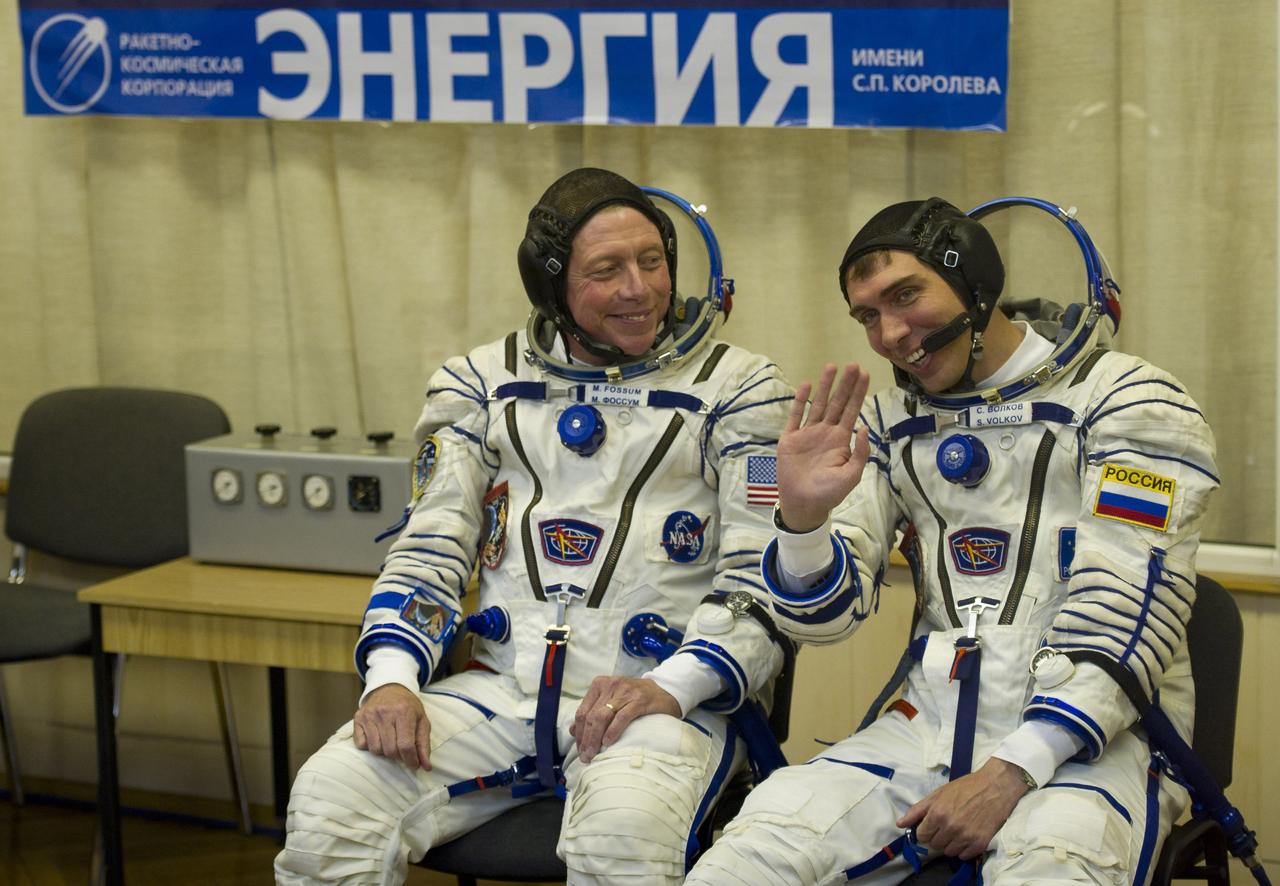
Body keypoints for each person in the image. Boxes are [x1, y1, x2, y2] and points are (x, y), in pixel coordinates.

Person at [275, 167, 794, 885]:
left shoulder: (740, 391)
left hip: (657, 697)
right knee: (333, 802)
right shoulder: (478, 385)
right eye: (606, 270)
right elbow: (427, 551)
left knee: (623, 839)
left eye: (652, 262)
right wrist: (391, 680)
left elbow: (760, 579)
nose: (639, 289)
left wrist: (674, 685)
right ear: (552, 287)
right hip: (499, 690)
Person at [686, 197, 1220, 884]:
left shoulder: (1134, 405)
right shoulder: (883, 424)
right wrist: (803, 522)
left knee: (1054, 868)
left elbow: (1127, 612)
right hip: (926, 728)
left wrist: (1011, 772)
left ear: (973, 285)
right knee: (744, 860)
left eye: (906, 295)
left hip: (1101, 739)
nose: (890, 334)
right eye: (867, 316)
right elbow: (824, 616)